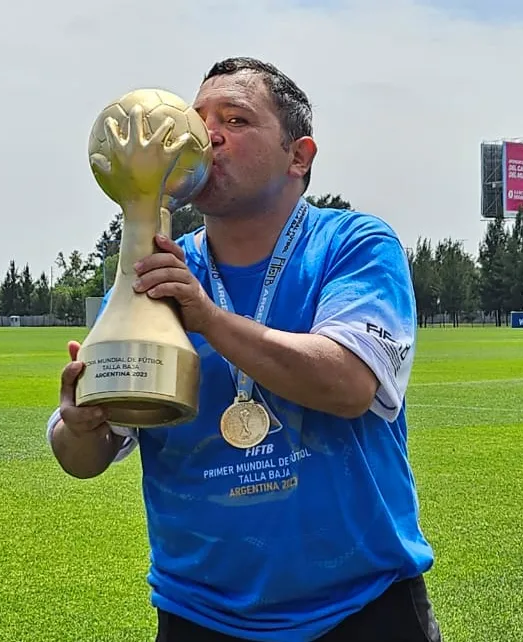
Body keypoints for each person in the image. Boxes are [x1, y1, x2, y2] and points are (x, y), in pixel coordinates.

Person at [45, 57, 441, 642]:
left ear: (298, 156)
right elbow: (83, 456)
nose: (205, 135)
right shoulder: (155, 266)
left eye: (235, 119)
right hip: (199, 614)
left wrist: (207, 317)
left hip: (360, 610)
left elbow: (350, 384)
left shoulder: (353, 245)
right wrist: (80, 425)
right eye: (197, 119)